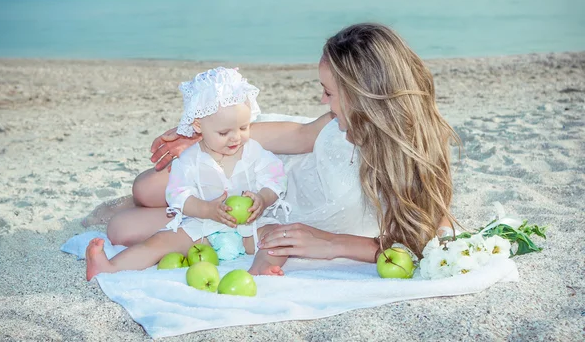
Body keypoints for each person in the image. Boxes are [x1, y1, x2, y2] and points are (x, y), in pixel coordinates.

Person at [83, 23, 459, 264]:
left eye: (329, 93)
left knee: (123, 228)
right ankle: (189, 193)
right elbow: (297, 136)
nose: (323, 102)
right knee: (146, 187)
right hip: (275, 171)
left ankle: (187, 207)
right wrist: (203, 142)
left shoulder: (416, 153)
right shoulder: (334, 121)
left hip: (276, 212)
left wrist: (334, 243)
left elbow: (425, 239)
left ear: (364, 96)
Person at [85, 67, 290, 281]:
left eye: (243, 128)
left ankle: (263, 266)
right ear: (198, 125)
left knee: (280, 236)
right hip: (204, 230)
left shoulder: (253, 151)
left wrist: (263, 199)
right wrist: (206, 209)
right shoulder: (190, 160)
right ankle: (109, 266)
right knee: (159, 242)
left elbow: (276, 177)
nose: (235, 138)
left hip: (252, 227)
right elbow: (177, 195)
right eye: (224, 132)